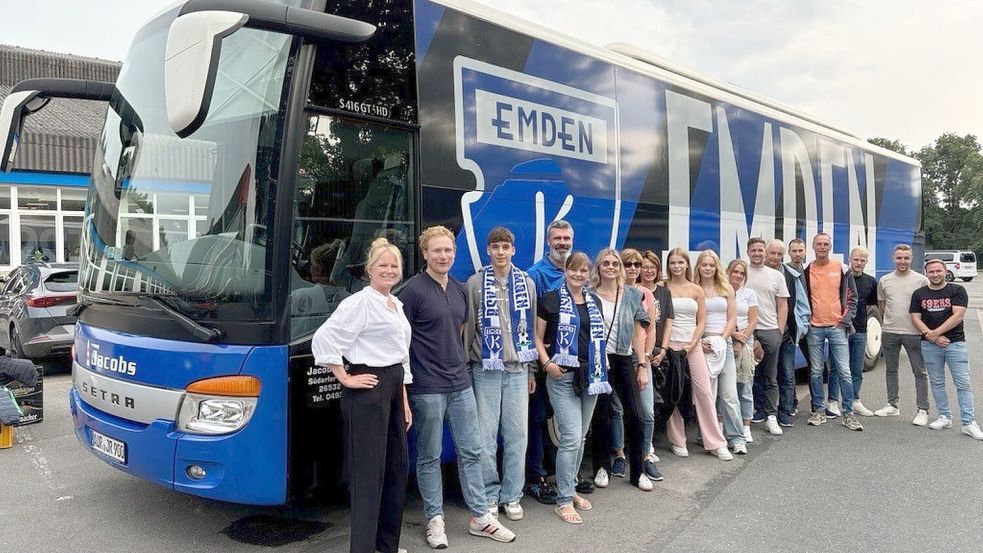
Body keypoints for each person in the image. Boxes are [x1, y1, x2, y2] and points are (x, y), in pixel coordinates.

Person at [399, 226, 515, 548]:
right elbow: (398, 343)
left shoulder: (461, 289)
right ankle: (435, 521)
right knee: (429, 457)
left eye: (448, 250)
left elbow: (459, 331)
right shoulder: (410, 292)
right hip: (427, 388)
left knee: (471, 451)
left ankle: (480, 517)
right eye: (436, 251)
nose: (443, 256)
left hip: (460, 383)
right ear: (425, 254)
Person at [311, 237, 412, 553]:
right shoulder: (359, 303)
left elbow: (401, 355)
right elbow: (324, 339)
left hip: (394, 387)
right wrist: (344, 377)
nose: (389, 269)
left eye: (394, 265)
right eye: (383, 264)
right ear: (369, 269)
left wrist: (404, 401)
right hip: (370, 387)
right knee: (369, 474)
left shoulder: (395, 304)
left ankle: (386, 547)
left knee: (396, 470)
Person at [463, 226, 537, 522]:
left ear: (513, 250)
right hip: (486, 370)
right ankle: (490, 493)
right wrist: (467, 366)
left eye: (506, 247)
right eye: (496, 247)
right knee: (485, 437)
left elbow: (530, 328)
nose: (501, 252)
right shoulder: (474, 283)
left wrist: (531, 369)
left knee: (517, 435)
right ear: (488, 251)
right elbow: (469, 328)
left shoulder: (527, 283)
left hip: (518, 369)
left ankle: (512, 495)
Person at [534, 252, 609, 524]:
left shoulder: (594, 301)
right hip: (562, 376)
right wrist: (547, 364)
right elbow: (537, 338)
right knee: (571, 437)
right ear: (565, 271)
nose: (578, 274)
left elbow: (597, 338)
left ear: (589, 274)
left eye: (583, 270)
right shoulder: (550, 300)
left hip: (592, 375)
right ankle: (563, 500)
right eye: (574, 269)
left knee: (581, 437)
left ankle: (571, 487)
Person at [588, 248, 658, 492]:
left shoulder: (631, 295)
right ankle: (602, 467)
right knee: (602, 415)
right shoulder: (589, 294)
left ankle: (638, 472)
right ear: (598, 267)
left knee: (636, 416)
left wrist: (641, 364)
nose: (611, 267)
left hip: (625, 358)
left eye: (615, 264)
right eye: (605, 263)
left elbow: (640, 332)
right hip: (600, 359)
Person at [665, 248, 733, 461]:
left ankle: (715, 441)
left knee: (704, 392)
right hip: (670, 346)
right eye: (673, 263)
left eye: (680, 262)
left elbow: (701, 320)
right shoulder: (663, 287)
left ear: (687, 264)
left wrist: (694, 342)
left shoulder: (696, 290)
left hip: (692, 346)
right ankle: (678, 440)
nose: (676, 266)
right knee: (674, 393)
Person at [523, 219, 574, 504]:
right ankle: (536, 476)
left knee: (564, 419)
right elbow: (531, 324)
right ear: (548, 242)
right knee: (538, 418)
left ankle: (565, 474)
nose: (562, 243)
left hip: (570, 361)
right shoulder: (536, 274)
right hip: (545, 360)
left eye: (566, 238)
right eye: (557, 238)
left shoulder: (575, 271)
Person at [910, 259, 983, 439]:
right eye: (931, 272)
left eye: (938, 271)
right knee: (937, 383)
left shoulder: (957, 290)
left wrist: (935, 334)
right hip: (929, 345)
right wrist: (932, 336)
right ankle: (944, 416)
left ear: (945, 271)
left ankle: (968, 422)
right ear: (926, 273)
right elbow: (915, 318)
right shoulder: (919, 293)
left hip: (955, 343)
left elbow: (958, 315)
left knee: (963, 384)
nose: (935, 274)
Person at [801, 233, 863, 431]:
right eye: (819, 244)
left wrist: (845, 319)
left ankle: (848, 413)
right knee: (817, 371)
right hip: (814, 328)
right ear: (813, 246)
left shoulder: (842, 268)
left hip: (837, 327)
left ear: (830, 247)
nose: (822, 247)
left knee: (844, 371)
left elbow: (853, 297)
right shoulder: (806, 270)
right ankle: (818, 410)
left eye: (826, 244)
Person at [874, 244, 931, 424]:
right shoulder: (885, 280)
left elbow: (926, 307)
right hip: (890, 331)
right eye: (899, 258)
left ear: (911, 259)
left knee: (919, 371)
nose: (902, 261)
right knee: (891, 369)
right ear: (893, 258)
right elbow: (883, 306)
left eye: (906, 258)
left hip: (914, 333)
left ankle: (923, 409)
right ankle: (892, 405)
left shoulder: (921, 281)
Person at [696, 250, 746, 454]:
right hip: (702, 345)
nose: (708, 268)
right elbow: (692, 319)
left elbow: (732, 318)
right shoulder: (695, 288)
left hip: (721, 343)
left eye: (711, 265)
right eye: (704, 265)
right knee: (707, 395)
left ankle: (737, 437)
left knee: (729, 395)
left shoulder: (725, 288)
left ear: (717, 267)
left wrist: (722, 339)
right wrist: (700, 342)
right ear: (698, 266)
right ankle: (706, 436)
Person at [744, 238, 789, 436]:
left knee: (770, 376)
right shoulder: (741, 272)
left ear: (765, 252)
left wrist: (779, 330)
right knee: (746, 376)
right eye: (753, 250)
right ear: (748, 252)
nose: (757, 253)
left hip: (770, 330)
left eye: (760, 250)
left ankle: (771, 416)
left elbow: (782, 304)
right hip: (746, 330)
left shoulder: (776, 275)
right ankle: (749, 415)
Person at [827, 247, 878, 416]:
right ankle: (833, 402)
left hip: (860, 330)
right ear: (850, 259)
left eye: (862, 260)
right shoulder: (840, 278)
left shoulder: (871, 281)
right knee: (836, 368)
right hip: (840, 329)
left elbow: (871, 305)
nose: (859, 263)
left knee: (856, 368)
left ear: (866, 262)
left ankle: (855, 400)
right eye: (856, 259)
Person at [638, 250, 674, 461]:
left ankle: (647, 444)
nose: (648, 270)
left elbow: (668, 322)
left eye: (652, 267)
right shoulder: (633, 291)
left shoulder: (663, 292)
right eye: (645, 266)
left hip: (658, 352)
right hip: (641, 353)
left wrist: (664, 350)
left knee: (654, 403)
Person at [727, 259, 759, 444]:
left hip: (746, 341)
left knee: (745, 386)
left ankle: (746, 426)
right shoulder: (722, 291)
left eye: (741, 273)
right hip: (727, 339)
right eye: (734, 272)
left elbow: (753, 319)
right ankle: (724, 424)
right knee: (727, 388)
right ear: (728, 272)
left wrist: (743, 338)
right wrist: (733, 335)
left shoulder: (749, 294)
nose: (737, 275)